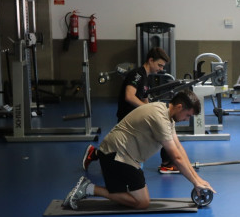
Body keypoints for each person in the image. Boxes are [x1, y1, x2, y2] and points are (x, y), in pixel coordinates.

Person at [64, 90, 215, 210]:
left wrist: (198, 180)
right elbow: (176, 157)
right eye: (188, 115)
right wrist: (195, 182)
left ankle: (99, 188)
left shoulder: (168, 116)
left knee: (133, 198)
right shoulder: (160, 117)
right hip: (116, 155)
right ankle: (89, 188)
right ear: (180, 107)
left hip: (125, 157)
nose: (187, 119)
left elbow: (179, 149)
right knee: (142, 202)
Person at [81, 47, 177, 173]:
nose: (161, 69)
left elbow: (145, 100)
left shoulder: (146, 78)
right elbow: (129, 96)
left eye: (162, 66)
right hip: (127, 118)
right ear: (151, 60)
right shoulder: (137, 74)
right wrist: (148, 109)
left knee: (161, 128)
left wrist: (153, 112)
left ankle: (166, 163)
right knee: (119, 149)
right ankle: (94, 153)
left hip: (137, 118)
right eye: (159, 65)